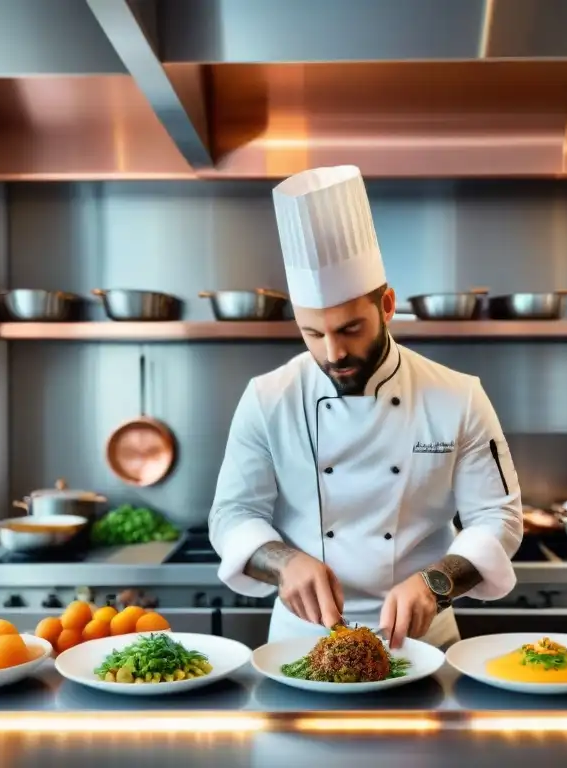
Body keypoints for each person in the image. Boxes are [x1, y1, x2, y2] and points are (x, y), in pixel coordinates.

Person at [208, 165, 523, 649]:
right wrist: (283, 561)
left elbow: (497, 518)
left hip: (424, 641)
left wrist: (436, 583)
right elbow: (232, 515)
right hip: (303, 643)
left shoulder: (459, 395)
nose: (333, 352)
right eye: (313, 333)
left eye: (350, 329)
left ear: (388, 305)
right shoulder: (268, 398)